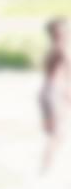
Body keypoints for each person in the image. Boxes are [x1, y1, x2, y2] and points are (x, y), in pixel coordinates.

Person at [39, 18, 70, 175]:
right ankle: (46, 170)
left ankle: (47, 167)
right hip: (55, 93)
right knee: (58, 134)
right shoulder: (61, 50)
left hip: (48, 92)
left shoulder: (52, 49)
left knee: (56, 133)